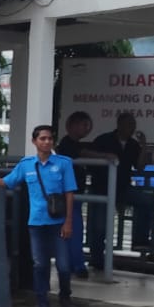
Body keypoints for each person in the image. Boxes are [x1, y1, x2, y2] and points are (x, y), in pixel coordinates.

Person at [0, 124, 77, 307]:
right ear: (34, 142)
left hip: (58, 222)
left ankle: (65, 297)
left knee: (64, 265)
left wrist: (68, 222)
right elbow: (7, 182)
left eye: (50, 138)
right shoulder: (27, 165)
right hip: (36, 222)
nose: (47, 142)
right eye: (42, 139)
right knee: (40, 264)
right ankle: (42, 305)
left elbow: (69, 193)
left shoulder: (64, 163)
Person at [89, 112, 154, 260]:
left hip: (122, 188)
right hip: (101, 188)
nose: (131, 128)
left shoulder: (133, 145)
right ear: (119, 125)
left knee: (146, 201)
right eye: (128, 125)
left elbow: (140, 167)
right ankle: (97, 258)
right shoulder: (104, 140)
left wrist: (144, 145)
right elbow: (88, 158)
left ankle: (140, 240)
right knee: (99, 225)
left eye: (133, 125)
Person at [55, 111, 94, 276]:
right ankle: (77, 265)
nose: (87, 129)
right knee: (74, 228)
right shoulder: (67, 145)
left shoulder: (76, 144)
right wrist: (107, 156)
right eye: (84, 125)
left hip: (73, 194)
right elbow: (83, 154)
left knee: (73, 228)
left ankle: (71, 264)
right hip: (67, 195)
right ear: (72, 125)